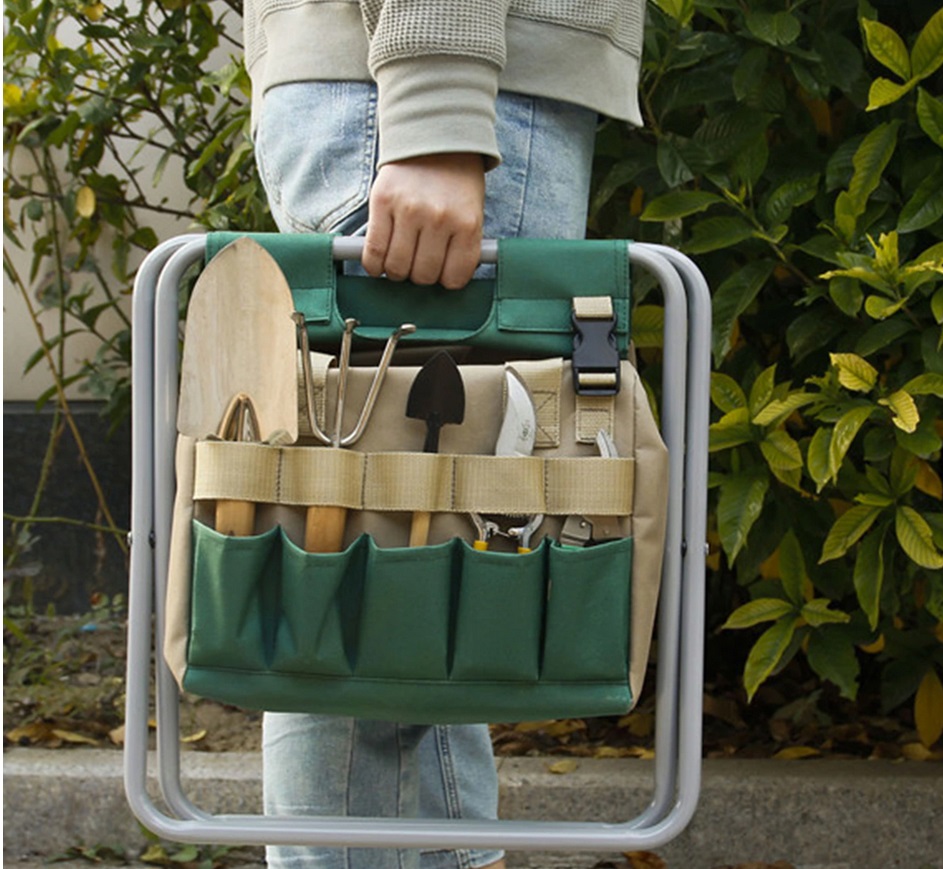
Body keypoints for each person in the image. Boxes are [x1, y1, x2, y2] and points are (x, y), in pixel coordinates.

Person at [243, 2, 646, 868]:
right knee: (372, 620)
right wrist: (438, 113)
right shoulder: (436, 106)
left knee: (398, 616)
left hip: (390, 78)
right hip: (431, 83)